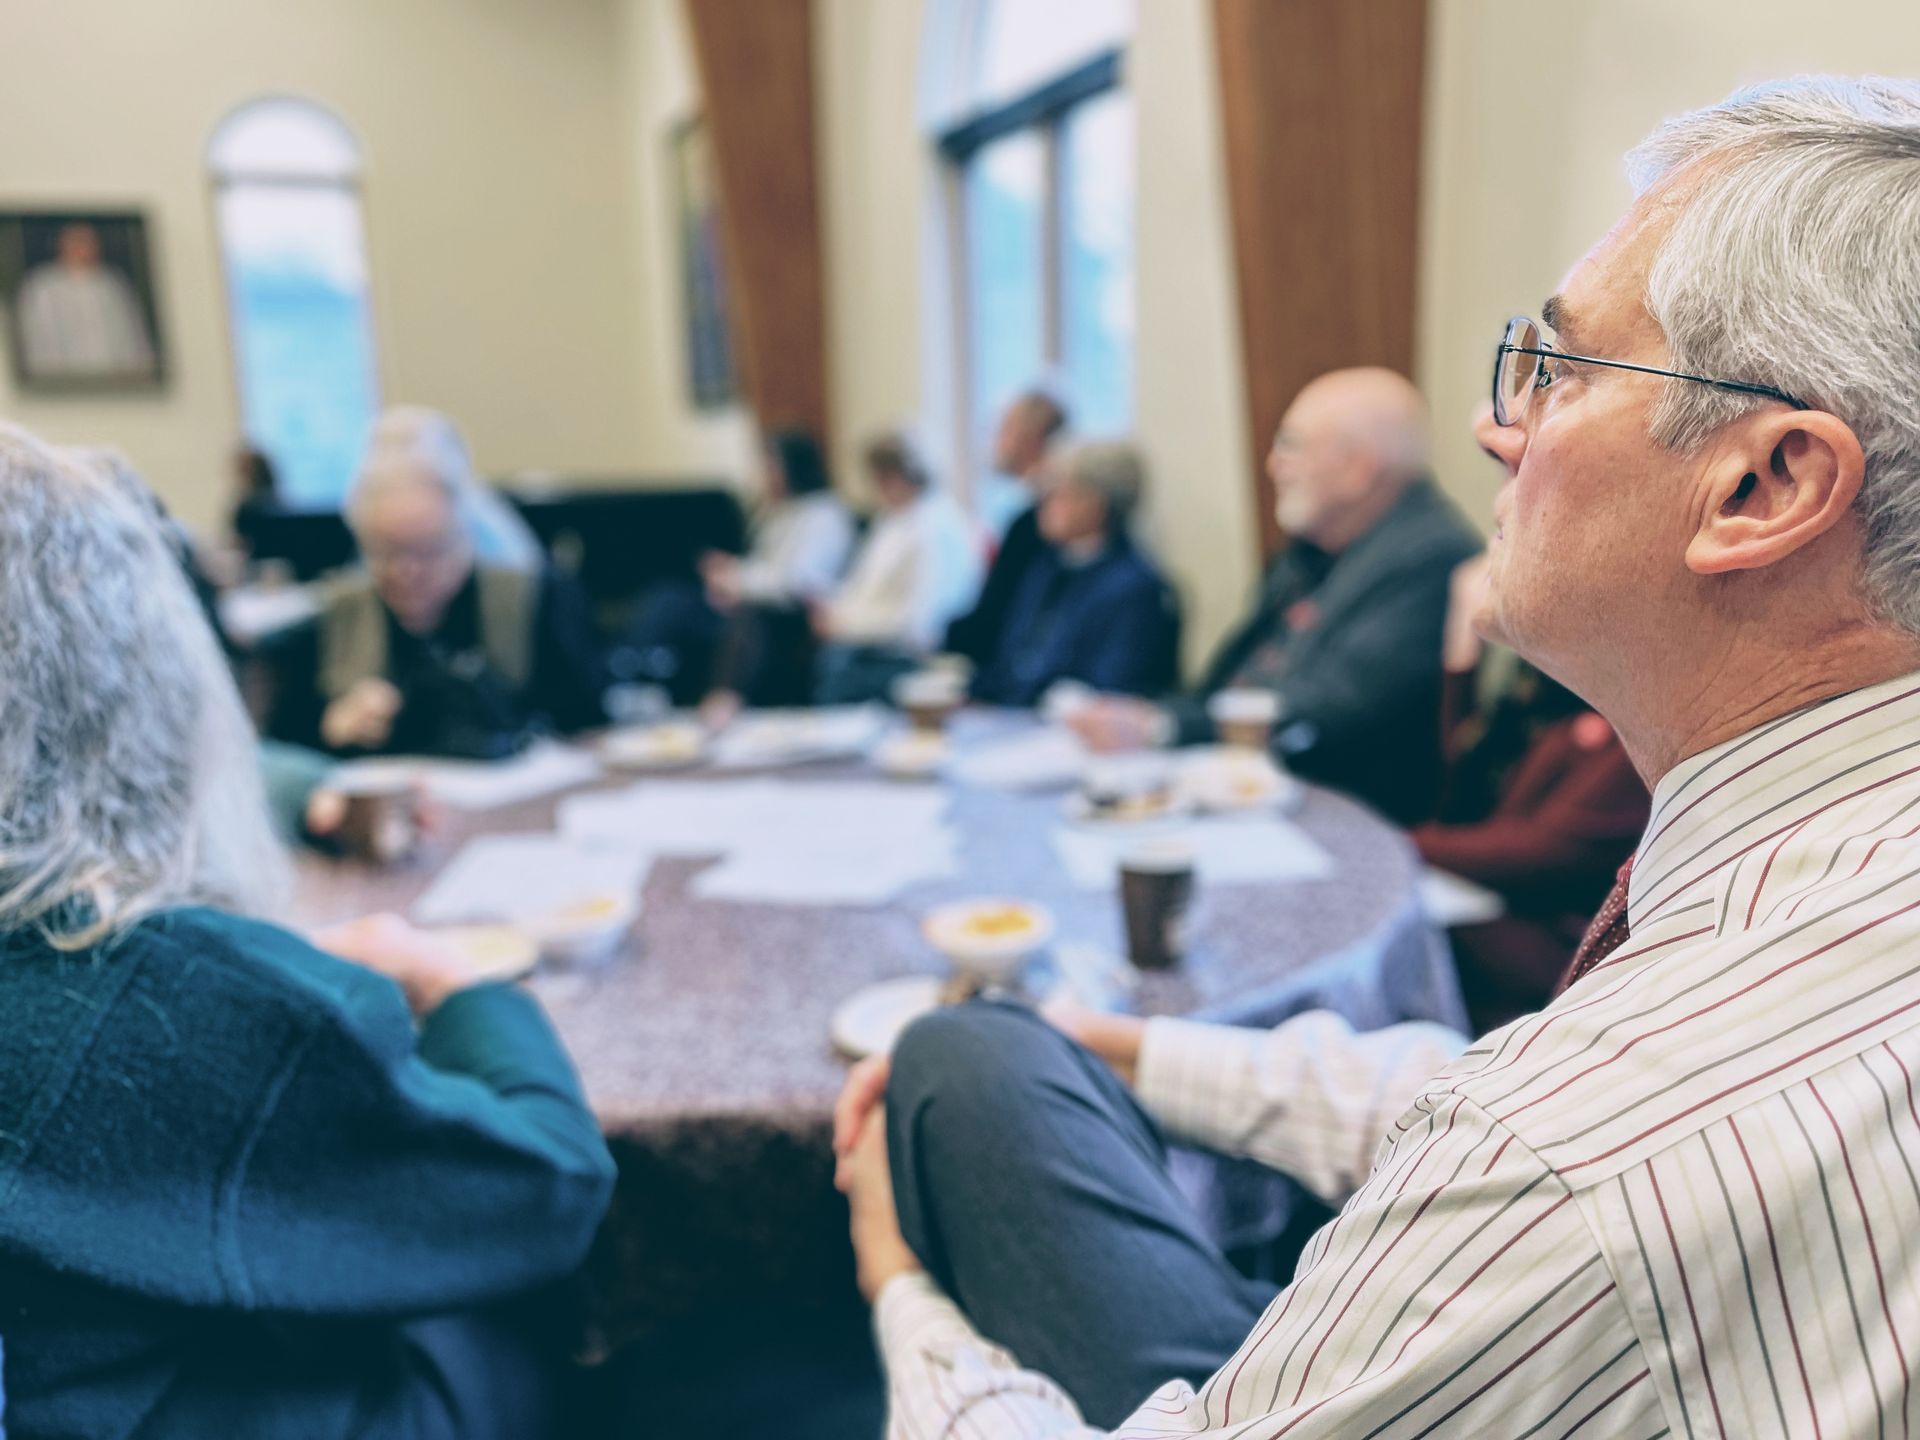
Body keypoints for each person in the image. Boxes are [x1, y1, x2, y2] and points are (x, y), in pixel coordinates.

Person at [834, 75, 1920, 1436]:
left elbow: (1560, 1158)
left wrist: (902, 1289)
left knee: (956, 1067)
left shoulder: (1572, 1154)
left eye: (1560, 369)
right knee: (988, 1056)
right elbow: (1521, 1110)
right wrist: (1135, 1049)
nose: (1496, 428)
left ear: (1765, 486)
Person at [0, 424, 616, 1439]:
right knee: (511, 1311)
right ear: (134, 679)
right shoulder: (183, 1002)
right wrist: (458, 983)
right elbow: (554, 1187)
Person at [1067, 368, 1481, 824]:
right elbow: (1231, 679)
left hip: (1338, 816)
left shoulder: (1433, 557)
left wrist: (1162, 726)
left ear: (1357, 469)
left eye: (1291, 445)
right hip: (1244, 789)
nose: (1273, 465)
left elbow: (1335, 709)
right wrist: (1155, 716)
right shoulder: (1316, 547)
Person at [1416, 553, 1648, 1032]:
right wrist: (1463, 646)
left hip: (1567, 971)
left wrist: (1401, 843)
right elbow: (1465, 772)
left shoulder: (1626, 719)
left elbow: (1541, 852)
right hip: (1508, 909)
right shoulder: (1544, 695)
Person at [272, 430, 610, 759]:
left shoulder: (532, 598)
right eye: (385, 552)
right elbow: (282, 743)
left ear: (465, 537)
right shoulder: (339, 611)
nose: (407, 573)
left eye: (428, 551)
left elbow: (588, 719)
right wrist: (330, 727)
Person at [969, 440, 1178, 707]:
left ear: (1095, 503)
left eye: (1059, 492)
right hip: (1011, 717)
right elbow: (1010, 662)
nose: (1044, 503)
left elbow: (1112, 689)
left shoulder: (1135, 588)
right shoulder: (1044, 569)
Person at [813, 433, 983, 704]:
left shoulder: (936, 525)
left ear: (909, 474)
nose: (880, 487)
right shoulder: (891, 521)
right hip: (872, 642)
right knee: (830, 660)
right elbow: (863, 589)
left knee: (838, 670)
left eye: (886, 477)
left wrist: (845, 625)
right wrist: (834, 610)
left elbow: (920, 624)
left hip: (915, 657)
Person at [701, 429, 856, 710]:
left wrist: (737, 581)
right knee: (673, 599)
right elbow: (762, 564)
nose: (766, 475)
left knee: (752, 614)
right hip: (760, 599)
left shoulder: (824, 514)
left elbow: (796, 582)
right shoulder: (778, 511)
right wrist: (730, 572)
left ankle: (724, 700)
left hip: (798, 613)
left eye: (772, 466)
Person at [944, 390, 1070, 667]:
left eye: (1004, 429)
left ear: (1032, 439)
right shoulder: (1021, 508)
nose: (995, 440)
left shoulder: (1038, 521)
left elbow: (1001, 611)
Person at [14, 220, 157, 381]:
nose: (86, 247)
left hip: (119, 381)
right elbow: (40, 342)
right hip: (66, 383)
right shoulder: (42, 286)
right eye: (78, 240)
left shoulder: (113, 283)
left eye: (91, 241)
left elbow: (134, 336)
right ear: (61, 244)